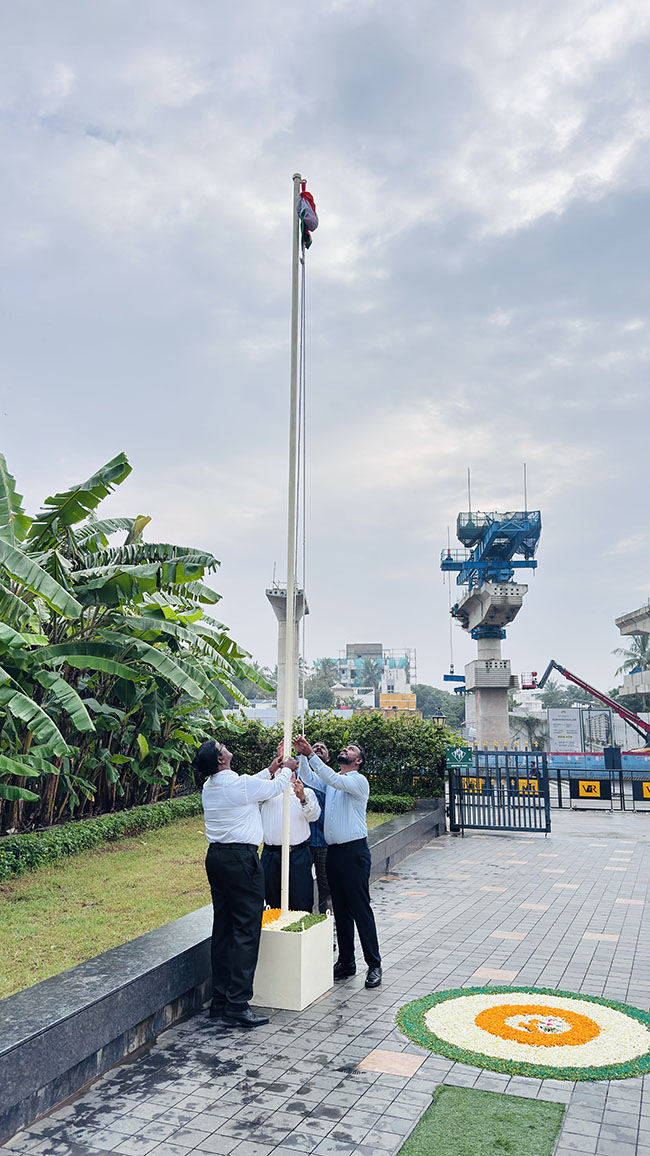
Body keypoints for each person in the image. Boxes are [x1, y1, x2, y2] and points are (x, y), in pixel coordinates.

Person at [197, 739, 292, 1028]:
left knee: (223, 927)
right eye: (222, 746)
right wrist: (285, 768)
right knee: (246, 929)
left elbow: (252, 786)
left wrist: (271, 768)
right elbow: (273, 788)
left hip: (216, 857)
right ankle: (238, 1003)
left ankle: (221, 999)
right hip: (242, 860)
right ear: (221, 760)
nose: (226, 746)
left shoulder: (210, 786)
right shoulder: (238, 785)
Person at [294, 735, 382, 989]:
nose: (346, 749)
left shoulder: (357, 781)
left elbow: (329, 778)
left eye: (351, 749)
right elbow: (311, 778)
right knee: (340, 910)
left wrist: (311, 755)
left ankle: (374, 964)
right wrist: (302, 755)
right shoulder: (335, 779)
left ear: (358, 761)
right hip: (333, 853)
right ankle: (346, 961)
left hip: (354, 853)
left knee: (360, 908)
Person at [260, 767, 320, 912]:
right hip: (271, 854)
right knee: (273, 902)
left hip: (297, 854)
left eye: (290, 771)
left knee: (301, 901)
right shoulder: (267, 793)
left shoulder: (307, 793)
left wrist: (303, 799)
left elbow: (314, 816)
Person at [306, 742, 330, 915]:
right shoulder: (300, 778)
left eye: (323, 748)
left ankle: (326, 923)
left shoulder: (332, 781)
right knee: (302, 886)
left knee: (326, 886)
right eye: (314, 747)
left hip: (324, 842)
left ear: (327, 759)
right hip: (303, 843)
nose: (319, 748)